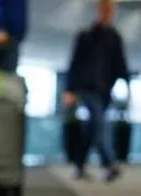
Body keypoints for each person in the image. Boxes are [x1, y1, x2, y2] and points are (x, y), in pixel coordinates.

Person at [62, 0, 130, 183]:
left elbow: (120, 64)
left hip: (105, 91)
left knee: (92, 128)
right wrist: (69, 89)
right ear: (98, 11)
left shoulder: (114, 37)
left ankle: (79, 165)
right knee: (100, 124)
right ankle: (110, 164)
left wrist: (127, 87)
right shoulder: (86, 36)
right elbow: (74, 64)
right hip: (86, 89)